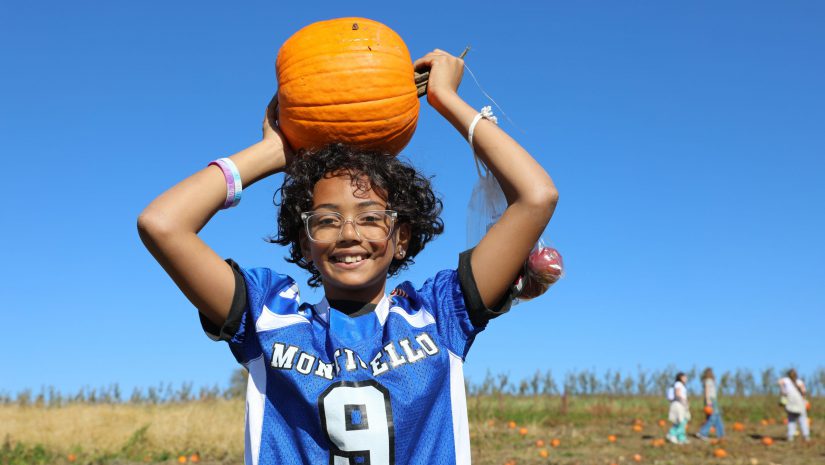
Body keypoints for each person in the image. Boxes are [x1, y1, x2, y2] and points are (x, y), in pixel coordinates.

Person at [137, 49, 558, 465]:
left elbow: (537, 196)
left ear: (402, 238)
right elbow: (162, 223)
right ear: (304, 242)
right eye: (326, 220)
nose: (349, 235)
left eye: (372, 218)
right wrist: (272, 154)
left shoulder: (439, 314)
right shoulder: (267, 316)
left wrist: (446, 100)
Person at [778, 369, 811, 442]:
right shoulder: (799, 382)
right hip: (800, 403)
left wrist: (782, 390)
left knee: (791, 420)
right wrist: (806, 402)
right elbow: (803, 393)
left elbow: (780, 384)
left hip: (790, 403)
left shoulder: (786, 381)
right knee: (803, 420)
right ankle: (806, 436)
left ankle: (790, 436)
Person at [695, 367, 725, 441]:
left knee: (717, 417)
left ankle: (721, 434)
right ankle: (702, 433)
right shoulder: (708, 381)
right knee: (712, 418)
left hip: (713, 400)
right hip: (711, 401)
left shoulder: (711, 381)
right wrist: (708, 403)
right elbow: (707, 391)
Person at [667, 372, 691, 444]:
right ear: (680, 377)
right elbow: (677, 393)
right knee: (681, 421)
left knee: (683, 421)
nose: (686, 378)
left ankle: (681, 438)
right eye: (684, 377)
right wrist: (683, 401)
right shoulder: (678, 384)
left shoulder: (681, 385)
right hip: (679, 404)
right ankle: (672, 434)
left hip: (682, 404)